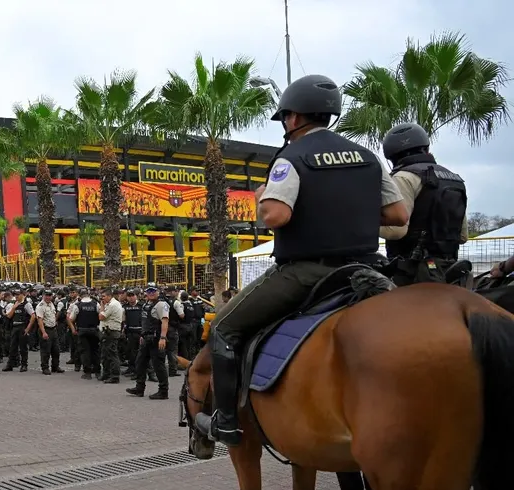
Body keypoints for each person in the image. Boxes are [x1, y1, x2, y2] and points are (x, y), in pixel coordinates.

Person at [193, 74, 408, 445]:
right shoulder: (368, 157)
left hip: (308, 272)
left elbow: (276, 215)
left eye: (285, 120)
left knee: (223, 330)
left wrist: (263, 195)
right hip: (365, 268)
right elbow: (399, 215)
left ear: (293, 118)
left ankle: (227, 421)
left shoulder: (290, 157)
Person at [379, 122, 468, 286]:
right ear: (426, 148)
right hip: (449, 270)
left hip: (412, 273)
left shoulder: (403, 177)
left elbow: (397, 231)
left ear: (392, 156)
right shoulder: (454, 179)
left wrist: (364, 225)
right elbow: (463, 237)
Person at [126, 285, 171, 400]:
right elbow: (145, 322)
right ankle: (139, 388)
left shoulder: (161, 305)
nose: (151, 293)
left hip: (156, 339)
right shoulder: (146, 304)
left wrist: (162, 338)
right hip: (146, 339)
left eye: (153, 291)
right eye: (148, 291)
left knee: (158, 366)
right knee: (140, 363)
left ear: (158, 292)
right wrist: (143, 335)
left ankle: (163, 391)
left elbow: (165, 322)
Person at [98, 287, 124, 384]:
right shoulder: (111, 304)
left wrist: (101, 306)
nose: (102, 298)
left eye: (104, 296)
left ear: (109, 296)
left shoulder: (113, 305)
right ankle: (106, 374)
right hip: (108, 332)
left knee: (112, 355)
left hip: (111, 332)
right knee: (105, 354)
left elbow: (101, 317)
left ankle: (115, 376)